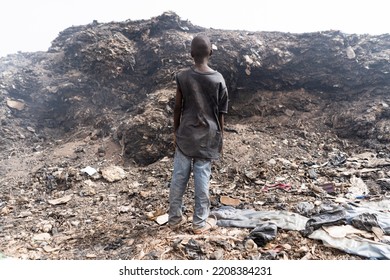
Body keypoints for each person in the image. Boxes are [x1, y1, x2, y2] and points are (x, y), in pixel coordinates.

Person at [168, 34, 229, 234]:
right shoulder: (218, 79)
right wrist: (221, 138)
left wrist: (176, 132)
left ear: (191, 54)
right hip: (208, 137)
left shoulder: (182, 76)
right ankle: (199, 223)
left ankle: (175, 219)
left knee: (178, 178)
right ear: (210, 53)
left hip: (186, 134)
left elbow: (177, 107)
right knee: (202, 179)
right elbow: (221, 113)